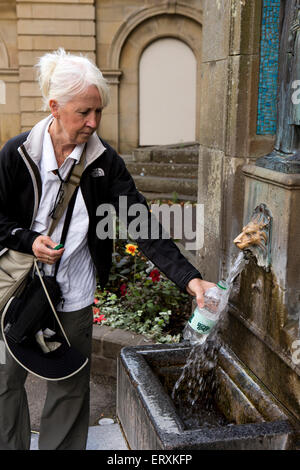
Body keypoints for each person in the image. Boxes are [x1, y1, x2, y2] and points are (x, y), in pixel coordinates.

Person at [0, 48, 215, 450]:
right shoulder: (17, 154)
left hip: (74, 294)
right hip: (14, 292)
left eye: (98, 111)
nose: (93, 122)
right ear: (55, 107)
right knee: (5, 383)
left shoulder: (104, 162)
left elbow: (142, 225)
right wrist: (27, 240)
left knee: (68, 388)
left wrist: (191, 280)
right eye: (84, 112)